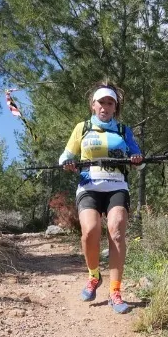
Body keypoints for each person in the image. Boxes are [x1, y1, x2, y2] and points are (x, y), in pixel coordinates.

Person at [60, 83, 144, 313]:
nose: (105, 107)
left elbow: (136, 154)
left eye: (110, 103)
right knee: (90, 231)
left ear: (115, 107)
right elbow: (66, 156)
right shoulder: (82, 128)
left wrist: (137, 158)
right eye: (101, 102)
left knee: (116, 230)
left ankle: (115, 291)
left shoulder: (123, 130)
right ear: (93, 105)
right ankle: (94, 275)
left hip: (117, 185)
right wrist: (66, 163)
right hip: (89, 185)